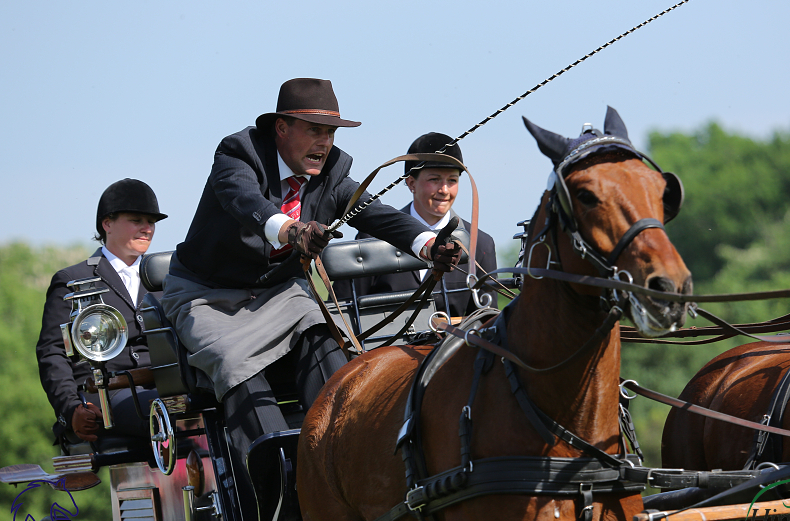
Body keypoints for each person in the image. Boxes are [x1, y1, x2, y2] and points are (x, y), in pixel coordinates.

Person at [160, 78, 460, 470]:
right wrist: (291, 230)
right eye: (314, 130)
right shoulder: (239, 153)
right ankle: (280, 472)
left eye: (330, 132)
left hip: (278, 292)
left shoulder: (334, 169)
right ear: (281, 128)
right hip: (206, 295)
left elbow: (373, 211)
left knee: (323, 333)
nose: (325, 142)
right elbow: (243, 199)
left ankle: (353, 451)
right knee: (233, 363)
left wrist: (429, 244)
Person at [36, 179, 167, 446]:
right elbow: (53, 353)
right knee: (164, 411)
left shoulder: (170, 275)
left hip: (169, 384)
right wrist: (71, 407)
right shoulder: (73, 279)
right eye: (136, 220)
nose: (147, 228)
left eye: (151, 222)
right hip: (110, 394)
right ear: (107, 224)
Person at [335, 132, 498, 317]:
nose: (444, 190)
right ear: (411, 183)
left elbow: (487, 322)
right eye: (434, 180)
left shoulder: (481, 244)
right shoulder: (372, 237)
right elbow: (344, 312)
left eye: (452, 180)